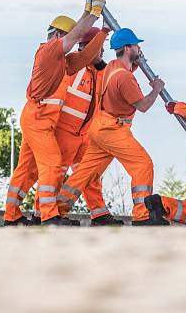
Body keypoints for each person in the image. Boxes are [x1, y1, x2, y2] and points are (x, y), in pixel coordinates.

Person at [3, 0, 109, 226]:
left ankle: (12, 216)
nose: (71, 42)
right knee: (52, 164)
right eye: (67, 36)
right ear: (59, 35)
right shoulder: (49, 51)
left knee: (28, 169)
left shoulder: (62, 61)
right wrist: (92, 13)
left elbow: (84, 57)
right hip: (38, 120)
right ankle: (49, 216)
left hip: (38, 120)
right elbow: (77, 35)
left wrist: (102, 32)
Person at [56, 28, 169, 226]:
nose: (139, 48)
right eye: (135, 45)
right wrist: (156, 89)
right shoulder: (124, 78)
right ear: (127, 49)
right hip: (113, 130)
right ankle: (143, 215)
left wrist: (136, 60)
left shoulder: (113, 67)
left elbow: (125, 70)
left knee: (85, 173)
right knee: (143, 165)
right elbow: (143, 106)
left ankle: (56, 210)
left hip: (99, 127)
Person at [30, 26, 124, 226]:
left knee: (89, 175)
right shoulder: (72, 65)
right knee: (54, 173)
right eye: (99, 47)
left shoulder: (98, 71)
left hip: (85, 134)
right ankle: (42, 215)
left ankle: (98, 213)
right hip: (65, 132)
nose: (101, 52)